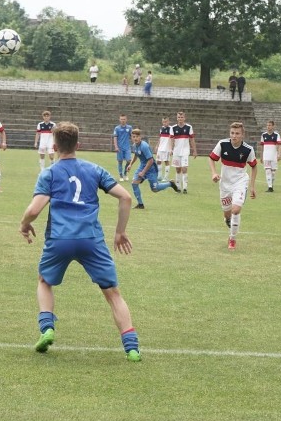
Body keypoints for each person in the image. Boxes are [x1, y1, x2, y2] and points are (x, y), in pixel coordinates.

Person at [19, 121, 142, 362]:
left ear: (54, 146)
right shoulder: (94, 169)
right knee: (112, 294)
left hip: (60, 239)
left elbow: (34, 210)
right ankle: (132, 347)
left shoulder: (50, 173)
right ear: (79, 144)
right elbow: (126, 197)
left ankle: (47, 328)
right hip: (91, 239)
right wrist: (119, 232)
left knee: (44, 281)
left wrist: (24, 224)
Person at [208, 122, 257, 251]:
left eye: (237, 134)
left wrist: (252, 186)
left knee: (236, 209)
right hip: (225, 184)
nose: (234, 136)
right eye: (232, 133)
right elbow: (211, 158)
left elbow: (254, 166)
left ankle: (232, 239)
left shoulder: (248, 149)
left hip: (240, 183)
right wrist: (214, 173)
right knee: (227, 215)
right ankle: (229, 222)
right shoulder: (222, 144)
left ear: (242, 135)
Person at [125, 128, 179, 208]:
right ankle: (140, 204)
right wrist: (130, 164)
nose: (135, 138)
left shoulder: (144, 146)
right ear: (131, 138)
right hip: (142, 166)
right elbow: (136, 155)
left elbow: (150, 161)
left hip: (151, 168)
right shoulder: (134, 146)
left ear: (140, 137)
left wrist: (143, 172)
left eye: (137, 136)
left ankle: (170, 184)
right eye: (133, 137)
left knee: (155, 189)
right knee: (134, 183)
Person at [171, 110, 197, 193]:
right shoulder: (173, 128)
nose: (180, 118)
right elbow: (171, 140)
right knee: (178, 169)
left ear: (184, 118)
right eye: (179, 117)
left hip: (185, 151)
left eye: (182, 117)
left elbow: (192, 139)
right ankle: (178, 188)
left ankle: (185, 188)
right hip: (176, 152)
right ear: (177, 118)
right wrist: (171, 149)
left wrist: (194, 151)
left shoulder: (189, 127)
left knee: (184, 169)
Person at [259, 120, 281, 192]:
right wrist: (261, 156)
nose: (268, 127)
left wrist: (279, 154)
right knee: (267, 171)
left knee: (273, 173)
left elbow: (279, 145)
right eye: (267, 125)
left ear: (273, 126)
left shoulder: (276, 135)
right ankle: (270, 187)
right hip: (266, 156)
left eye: (270, 125)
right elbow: (262, 146)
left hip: (273, 156)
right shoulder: (263, 135)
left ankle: (271, 185)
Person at [112, 114, 133, 181]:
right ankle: (121, 175)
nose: (123, 120)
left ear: (126, 120)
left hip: (127, 147)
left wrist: (135, 144)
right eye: (121, 119)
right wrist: (116, 146)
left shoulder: (129, 128)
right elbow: (115, 138)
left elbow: (132, 136)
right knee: (120, 162)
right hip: (120, 147)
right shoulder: (117, 128)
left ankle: (125, 173)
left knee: (129, 161)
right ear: (119, 120)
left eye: (124, 119)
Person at [155, 116, 173, 180]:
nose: (164, 123)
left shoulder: (171, 129)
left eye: (166, 122)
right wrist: (157, 146)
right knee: (158, 161)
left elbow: (171, 139)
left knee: (166, 161)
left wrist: (171, 149)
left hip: (167, 148)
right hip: (160, 148)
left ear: (168, 121)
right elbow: (160, 138)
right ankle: (159, 176)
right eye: (163, 122)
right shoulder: (161, 128)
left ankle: (166, 177)